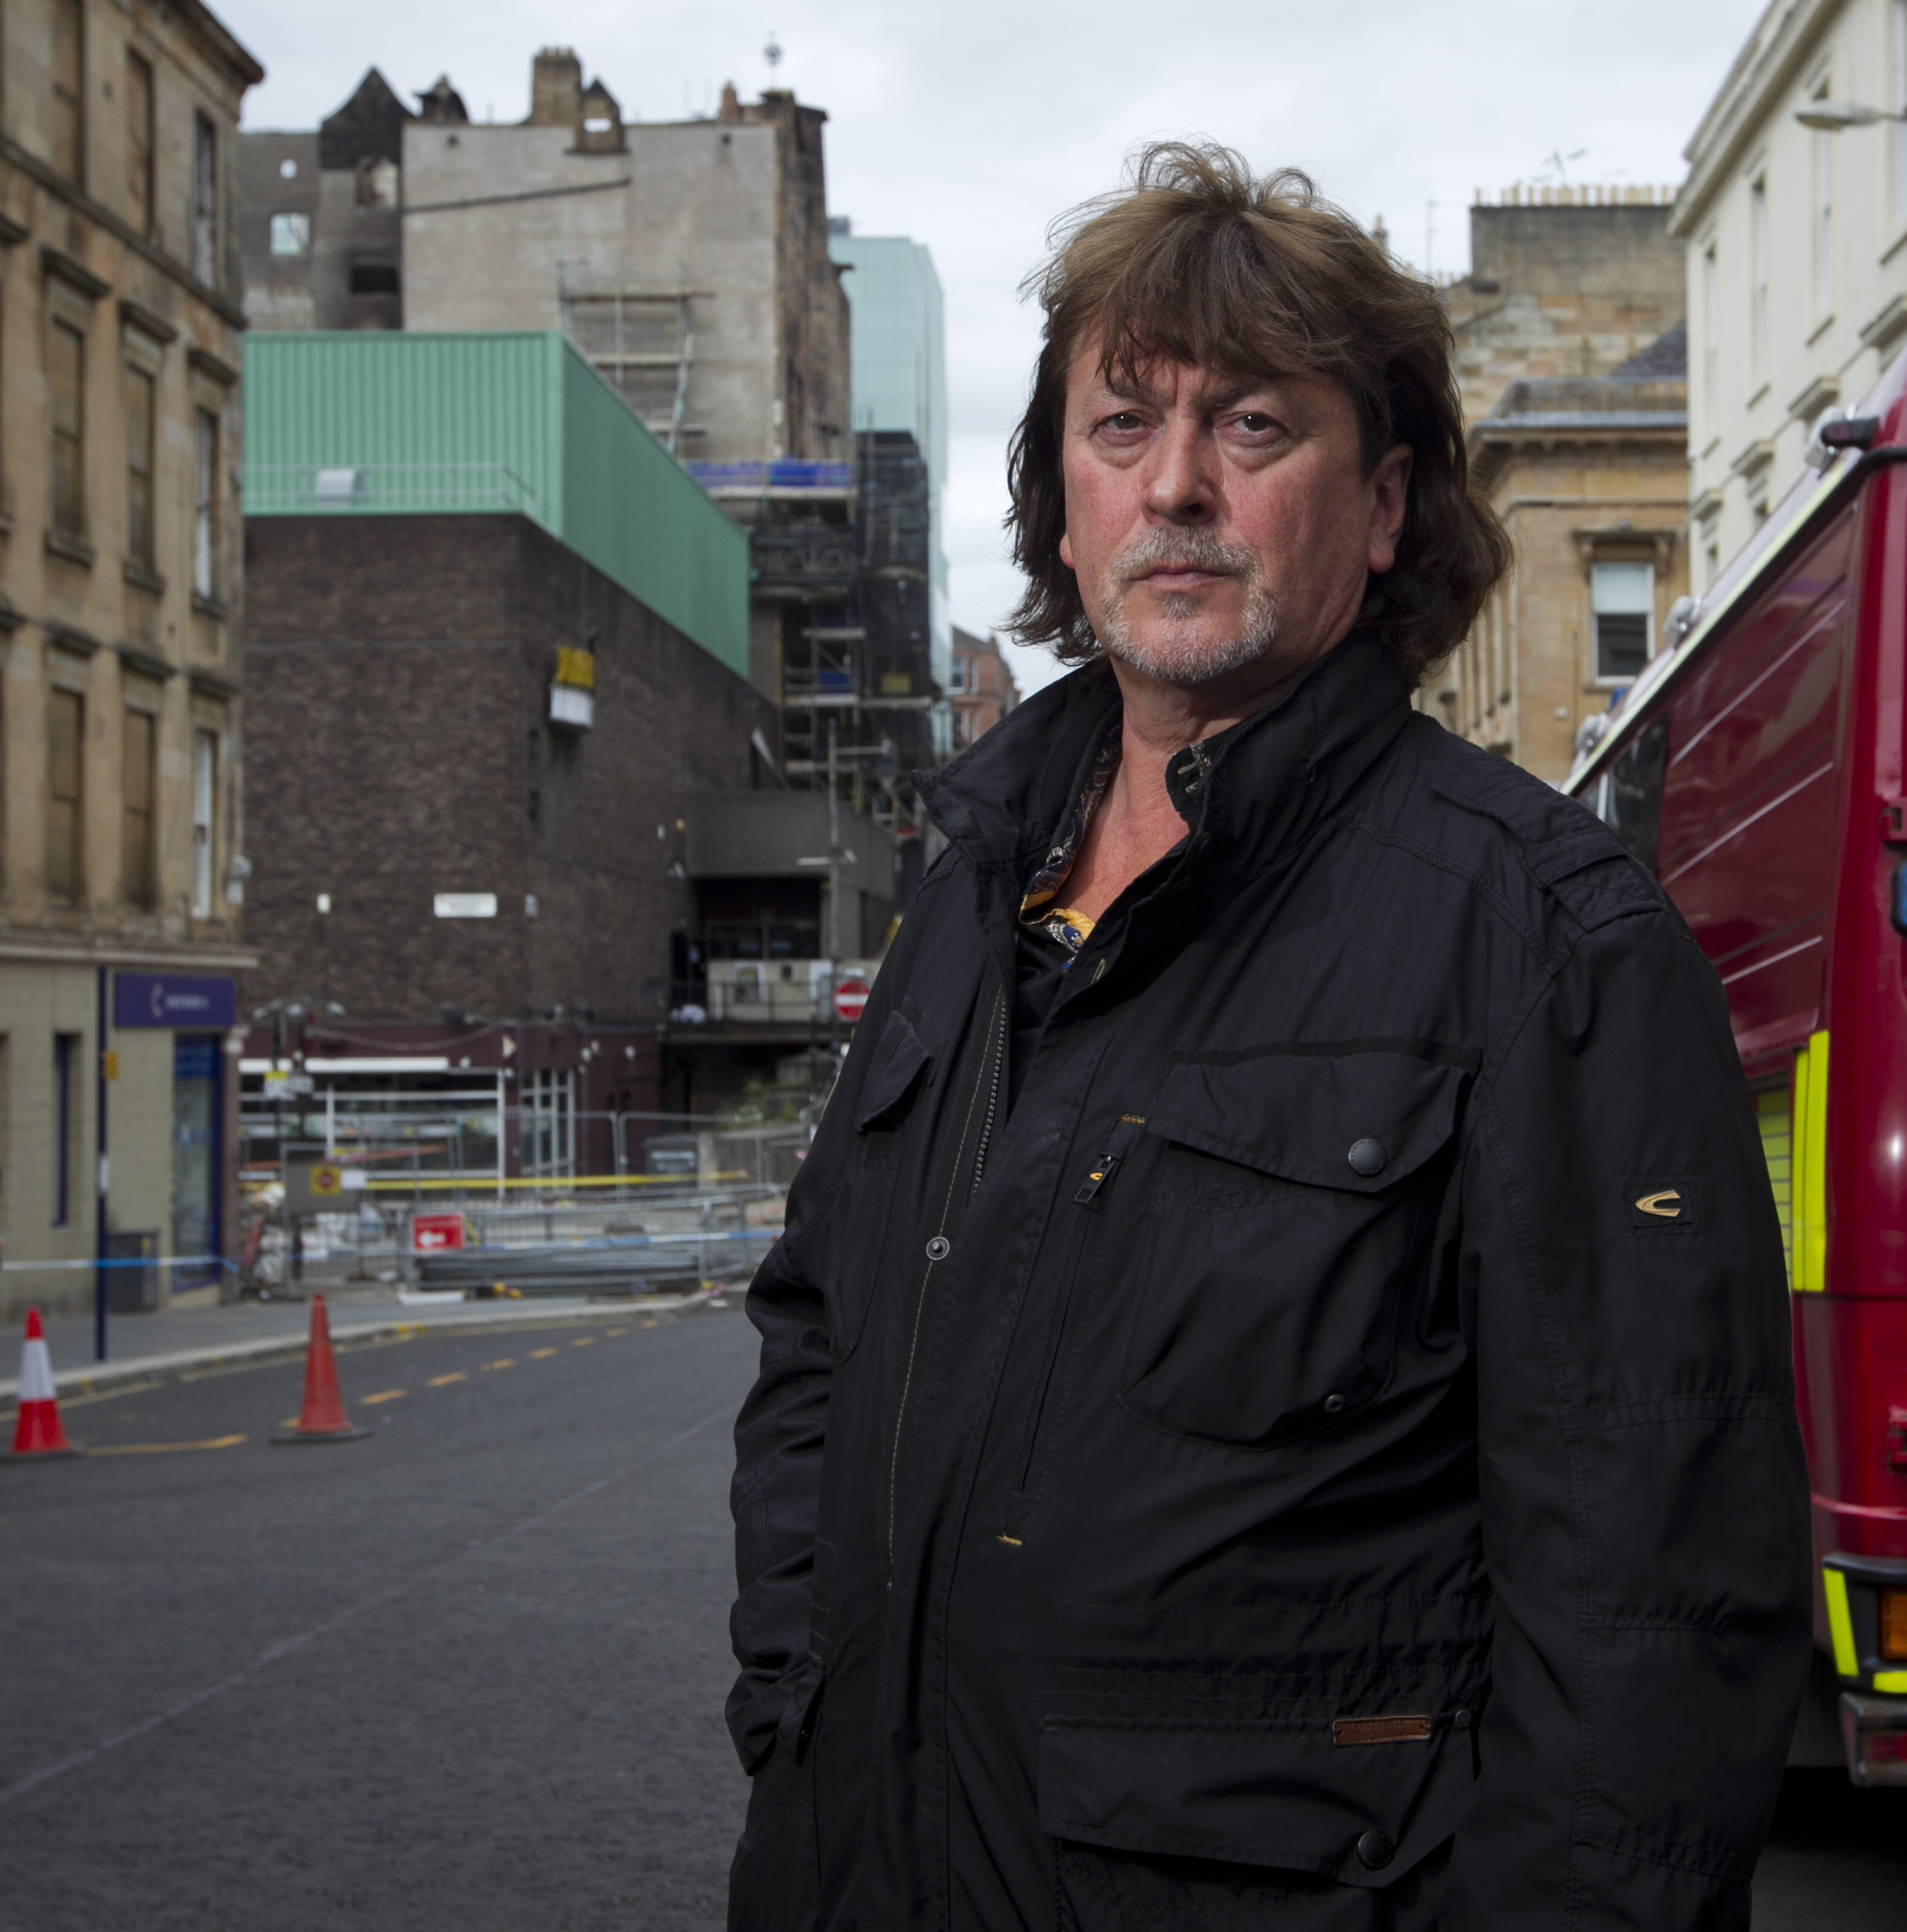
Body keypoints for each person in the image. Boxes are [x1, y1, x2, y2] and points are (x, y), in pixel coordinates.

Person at [725, 143, 1809, 1930]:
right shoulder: (967, 893)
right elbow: (820, 1343)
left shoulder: (1549, 942)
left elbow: (1655, 1605)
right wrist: (794, 1706)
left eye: (1252, 429)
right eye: (1123, 425)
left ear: (1383, 508)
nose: (1177, 489)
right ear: (1060, 512)